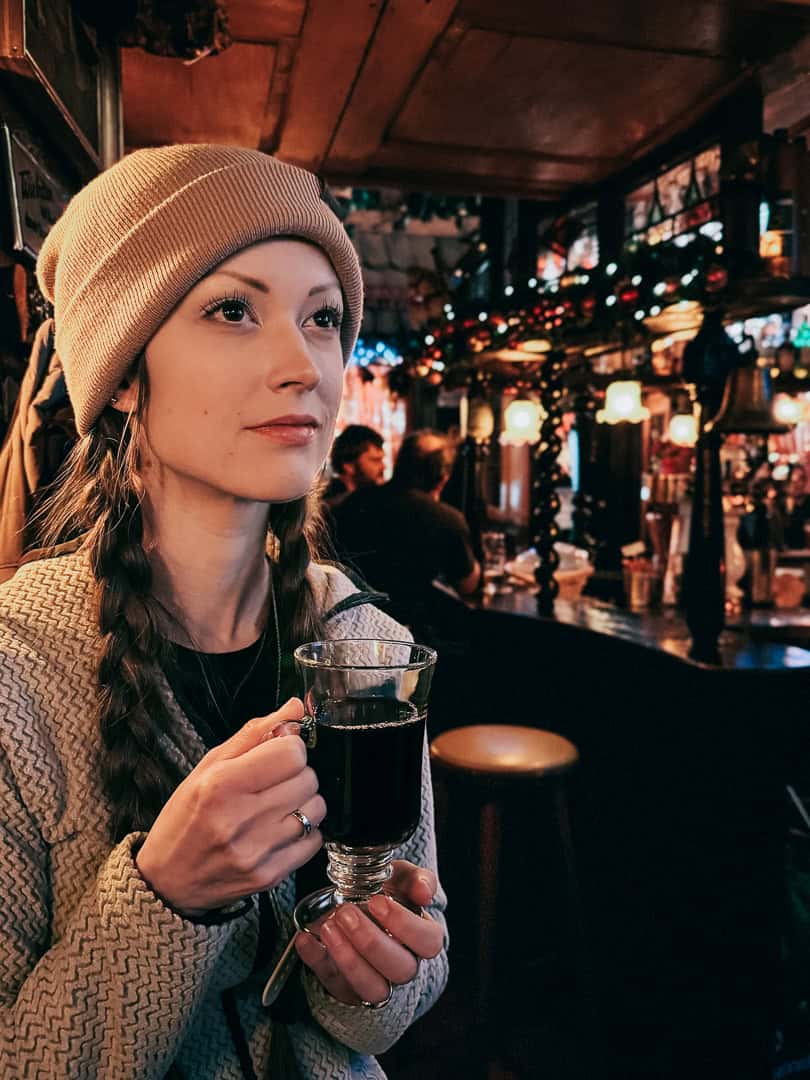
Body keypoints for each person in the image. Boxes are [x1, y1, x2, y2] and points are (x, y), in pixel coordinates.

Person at [0, 145, 447, 1079]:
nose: (304, 365)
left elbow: (384, 1019)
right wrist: (169, 899)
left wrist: (386, 973)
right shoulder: (16, 669)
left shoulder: (364, 642)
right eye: (233, 310)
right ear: (122, 374)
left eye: (324, 320)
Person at [332, 430, 480, 642]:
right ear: (444, 478)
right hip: (407, 637)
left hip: (346, 627)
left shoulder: (352, 501)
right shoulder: (447, 518)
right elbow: (467, 585)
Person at [322, 424, 385, 510]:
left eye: (381, 459)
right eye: (375, 460)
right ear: (349, 466)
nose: (383, 466)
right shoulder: (330, 508)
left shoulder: (375, 499)